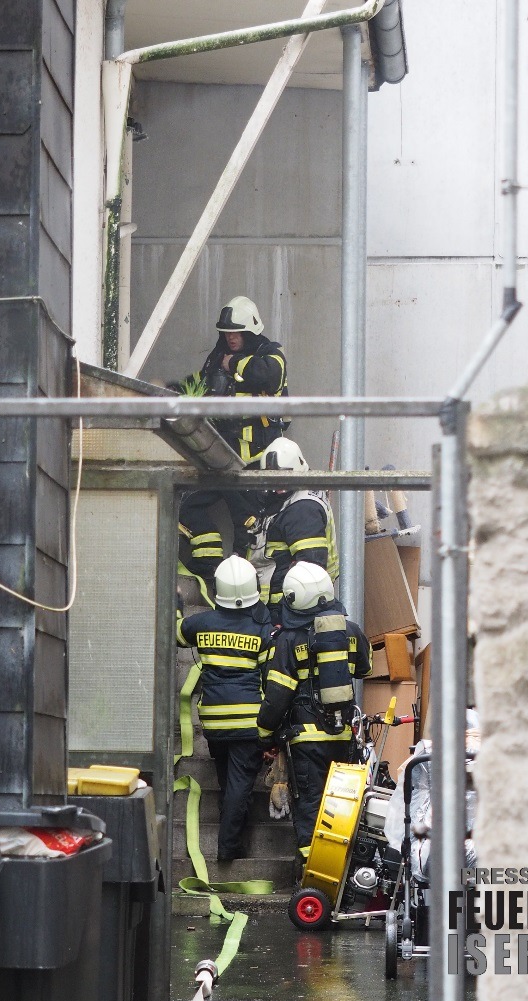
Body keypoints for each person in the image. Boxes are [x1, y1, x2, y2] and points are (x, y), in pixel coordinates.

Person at [256, 562, 372, 865]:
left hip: (305, 740)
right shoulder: (352, 631)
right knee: (342, 804)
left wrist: (265, 733)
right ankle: (345, 871)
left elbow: (277, 696)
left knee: (311, 803)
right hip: (344, 736)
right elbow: (365, 667)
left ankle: (313, 873)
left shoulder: (288, 640)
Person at [178, 296, 289, 607]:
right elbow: (197, 388)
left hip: (254, 467)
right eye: (226, 333)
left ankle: (245, 591)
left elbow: (267, 375)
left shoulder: (271, 355)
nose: (231, 338)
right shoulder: (216, 357)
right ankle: (211, 572)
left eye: (237, 332)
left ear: (251, 331)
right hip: (218, 463)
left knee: (248, 529)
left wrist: (232, 364)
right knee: (186, 508)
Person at [176, 555, 274, 862]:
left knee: (227, 779)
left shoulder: (202, 623)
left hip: (214, 721)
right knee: (240, 784)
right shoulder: (262, 631)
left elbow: (177, 632)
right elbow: (269, 679)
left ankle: (233, 835)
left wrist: (179, 603)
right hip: (248, 722)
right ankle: (228, 849)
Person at [249, 437, 339, 623]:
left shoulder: (302, 510)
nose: (279, 487)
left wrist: (284, 616)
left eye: (284, 479)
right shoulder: (290, 498)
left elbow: (309, 567)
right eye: (273, 480)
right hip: (284, 606)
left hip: (290, 609)